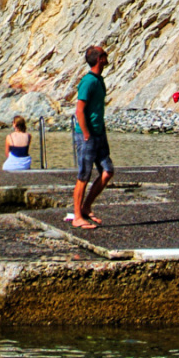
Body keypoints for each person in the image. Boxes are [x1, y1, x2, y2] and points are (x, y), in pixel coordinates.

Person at [68, 45, 113, 229]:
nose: (107, 56)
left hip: (99, 133)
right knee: (84, 175)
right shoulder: (88, 81)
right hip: (87, 135)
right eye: (104, 54)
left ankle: (86, 207)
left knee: (107, 171)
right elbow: (80, 110)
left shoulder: (99, 80)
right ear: (99, 59)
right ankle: (77, 216)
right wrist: (86, 133)